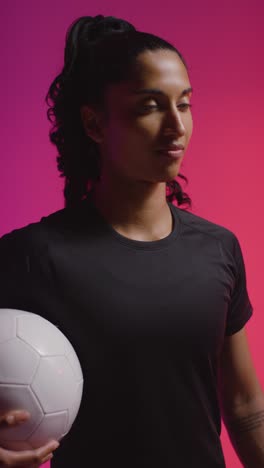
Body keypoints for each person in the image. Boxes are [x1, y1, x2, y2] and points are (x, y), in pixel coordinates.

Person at [0, 14, 263, 468]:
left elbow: (243, 404)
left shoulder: (219, 248)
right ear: (94, 124)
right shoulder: (33, 255)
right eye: (150, 106)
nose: (176, 126)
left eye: (184, 103)